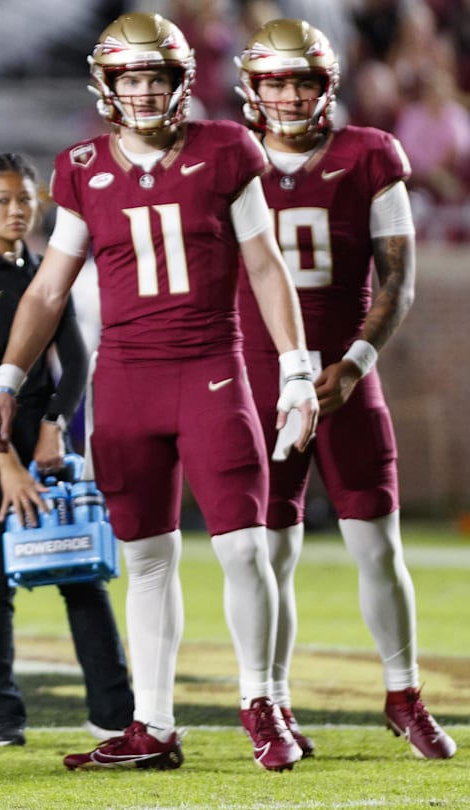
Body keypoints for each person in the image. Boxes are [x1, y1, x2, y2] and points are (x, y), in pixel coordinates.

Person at [0, 12, 319, 772]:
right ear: (107, 85)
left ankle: (262, 699)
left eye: (154, 77)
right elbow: (47, 290)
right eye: (129, 77)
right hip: (126, 377)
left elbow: (265, 265)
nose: (141, 91)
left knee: (241, 547)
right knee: (145, 562)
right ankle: (153, 726)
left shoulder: (227, 148)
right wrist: (9, 377)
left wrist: (296, 368)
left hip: (211, 369)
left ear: (179, 83)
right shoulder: (80, 166)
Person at [235, 19, 456, 760]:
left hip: (346, 372)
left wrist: (357, 362)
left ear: (326, 86)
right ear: (253, 89)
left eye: (303, 81)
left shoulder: (369, 154)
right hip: (260, 375)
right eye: (275, 82)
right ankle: (273, 702)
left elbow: (399, 277)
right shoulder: (227, 161)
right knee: (270, 551)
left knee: (377, 546)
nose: (290, 96)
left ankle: (404, 693)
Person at [0, 153, 134, 748]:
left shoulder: (47, 270)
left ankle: (116, 713)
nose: (17, 210)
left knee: (81, 571)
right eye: (2, 200)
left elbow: (76, 361)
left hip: (42, 439)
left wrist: (54, 425)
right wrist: (5, 467)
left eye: (25, 199)